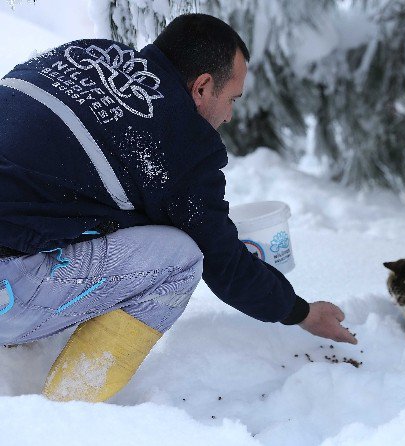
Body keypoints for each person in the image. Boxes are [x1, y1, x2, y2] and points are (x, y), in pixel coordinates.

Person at [0, 13, 356, 402]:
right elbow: (225, 266)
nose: (229, 115)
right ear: (202, 87)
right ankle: (68, 406)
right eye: (231, 98)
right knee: (181, 257)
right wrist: (300, 312)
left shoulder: (87, 55)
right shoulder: (180, 144)